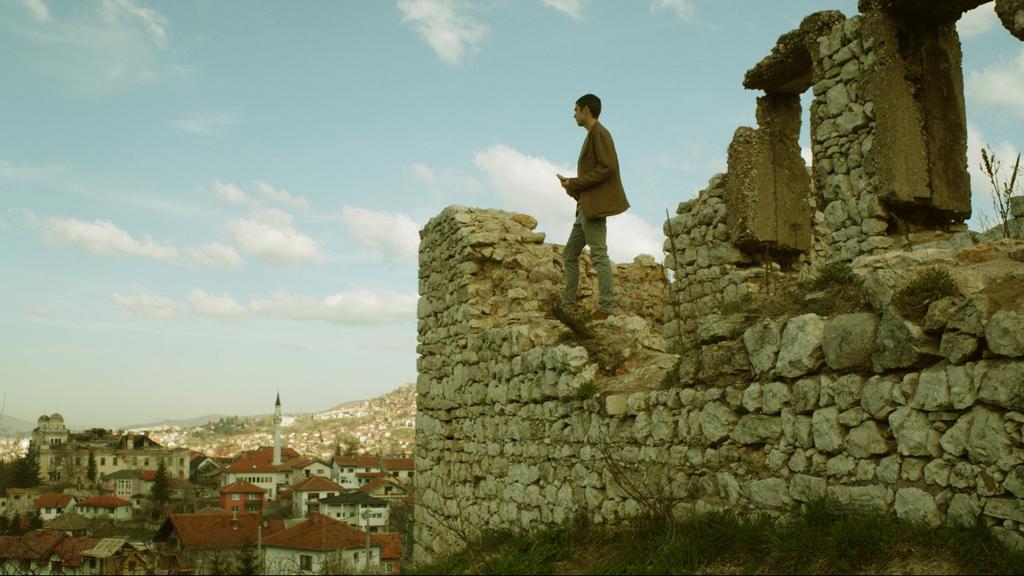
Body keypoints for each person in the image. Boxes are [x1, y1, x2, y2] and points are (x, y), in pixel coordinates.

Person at [557, 93, 630, 320]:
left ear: (586, 110)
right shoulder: (592, 135)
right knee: (569, 254)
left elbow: (608, 167)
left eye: (576, 109)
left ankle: (606, 309)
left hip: (593, 208)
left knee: (598, 255)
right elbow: (594, 174)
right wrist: (573, 186)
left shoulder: (600, 133)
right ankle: (567, 308)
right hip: (584, 208)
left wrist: (576, 182)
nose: (574, 114)